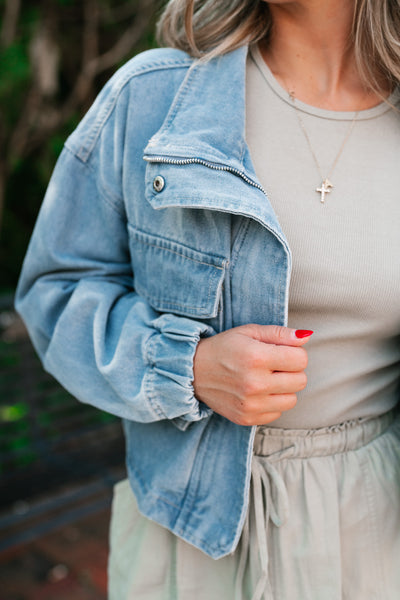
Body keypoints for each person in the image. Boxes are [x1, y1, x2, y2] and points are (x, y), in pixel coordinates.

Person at [16, 0, 400, 598]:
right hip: (194, 523)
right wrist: (185, 367)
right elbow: (54, 290)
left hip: (379, 519)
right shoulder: (153, 97)